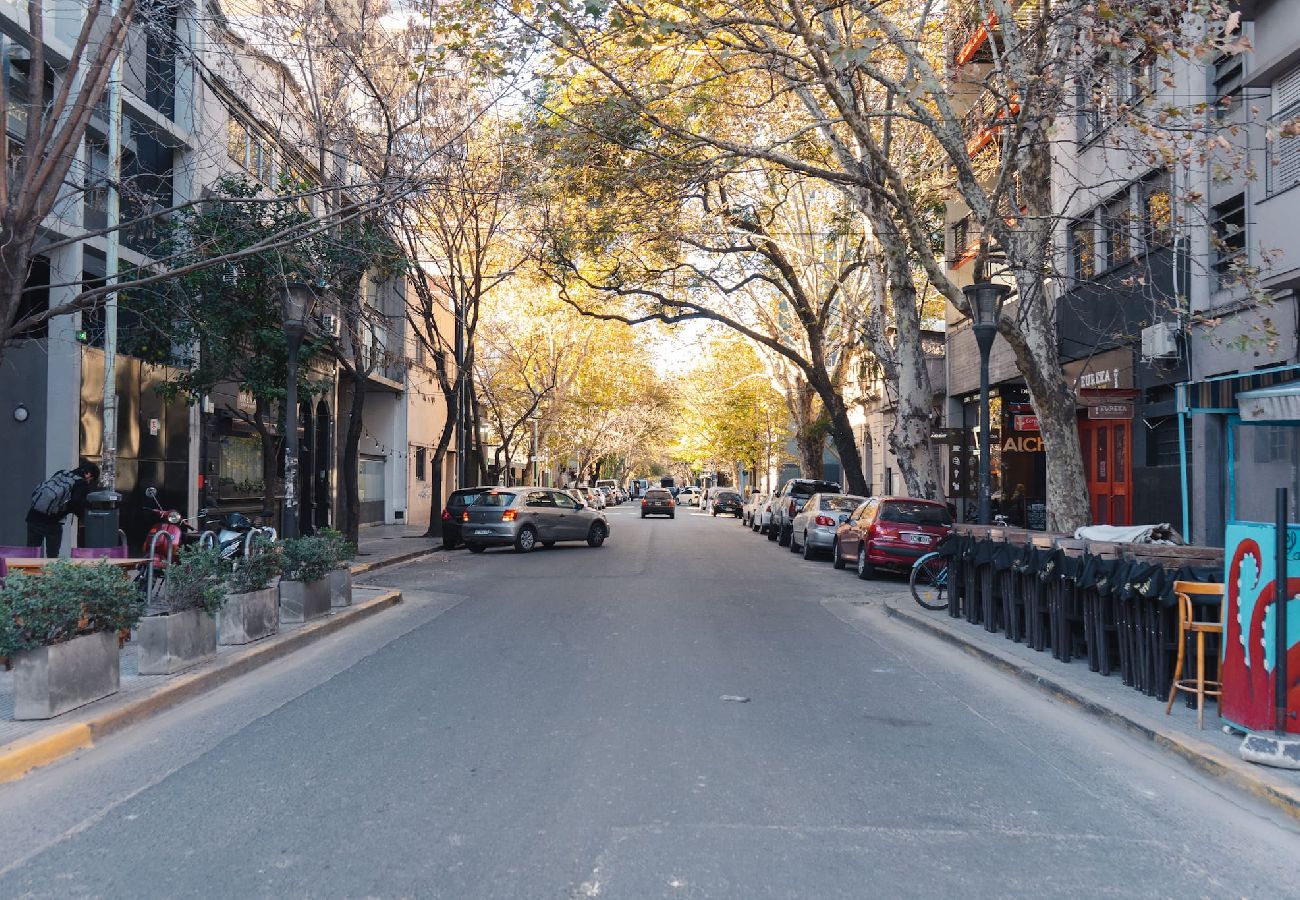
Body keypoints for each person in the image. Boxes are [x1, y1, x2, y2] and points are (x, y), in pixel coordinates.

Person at [26, 461, 99, 558]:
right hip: (52, 522)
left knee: (31, 553)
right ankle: (50, 573)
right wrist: (84, 518)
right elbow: (75, 503)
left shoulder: (61, 473)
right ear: (88, 474)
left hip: (33, 517)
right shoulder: (81, 483)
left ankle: (28, 572)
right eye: (91, 479)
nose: (90, 482)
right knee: (52, 556)